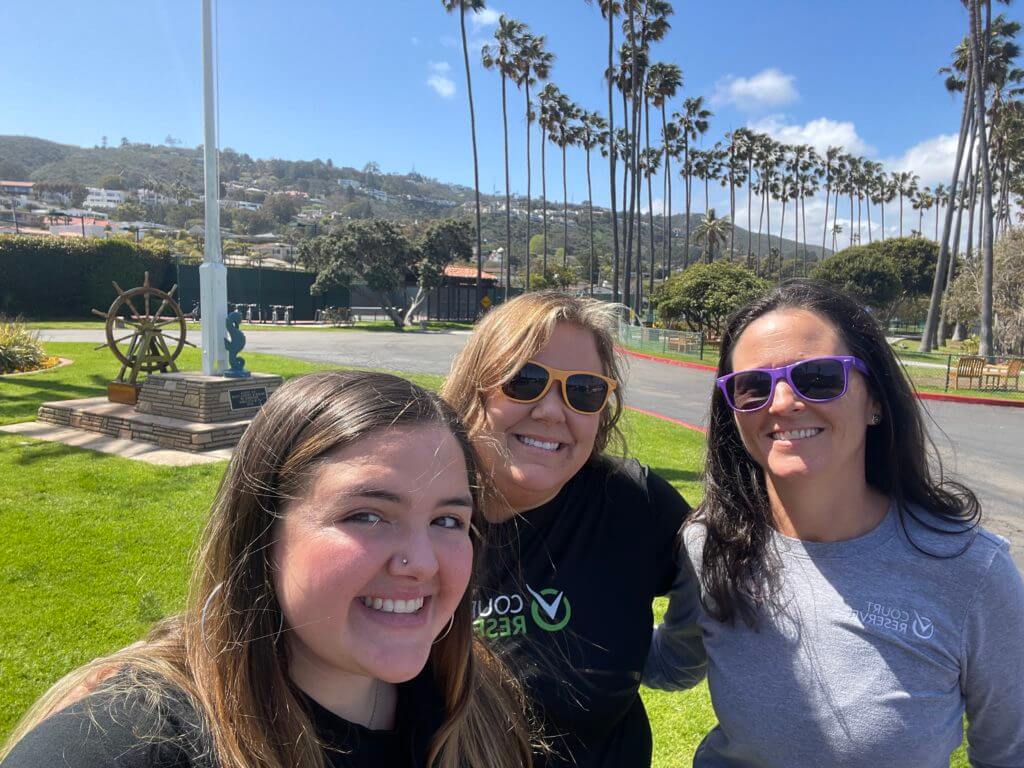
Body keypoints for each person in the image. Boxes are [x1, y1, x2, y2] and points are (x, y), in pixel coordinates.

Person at [0, 371, 533, 768]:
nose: (420, 562)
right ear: (263, 533)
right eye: (367, 515)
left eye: (447, 520)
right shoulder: (130, 739)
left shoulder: (475, 701)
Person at [649, 281, 1024, 766]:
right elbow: (672, 662)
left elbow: (1010, 753)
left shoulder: (972, 571)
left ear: (876, 401)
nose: (781, 402)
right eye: (753, 387)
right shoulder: (711, 544)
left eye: (820, 377)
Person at [441, 291, 706, 768]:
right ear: (472, 387)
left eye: (583, 390)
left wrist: (668, 660)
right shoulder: (416, 506)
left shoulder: (632, 503)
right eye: (524, 381)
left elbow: (723, 574)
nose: (550, 410)